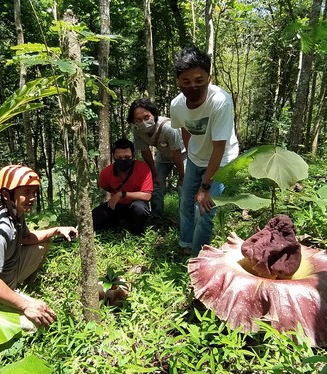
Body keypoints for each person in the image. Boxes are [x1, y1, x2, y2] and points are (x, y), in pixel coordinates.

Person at [0, 165, 77, 331]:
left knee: (43, 243)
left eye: (34, 192)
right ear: (7, 194)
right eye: (26, 193)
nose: (32, 198)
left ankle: (17, 291)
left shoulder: (12, 211)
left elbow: (27, 239)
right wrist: (25, 305)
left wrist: (57, 230)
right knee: (39, 323)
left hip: (5, 276)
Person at [170, 46, 239, 256]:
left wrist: (205, 187)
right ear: (179, 82)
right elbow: (185, 132)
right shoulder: (177, 105)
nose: (193, 86)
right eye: (186, 82)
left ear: (209, 77)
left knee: (203, 209)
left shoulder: (220, 102)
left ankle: (198, 259)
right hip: (195, 158)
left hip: (222, 159)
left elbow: (219, 148)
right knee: (185, 204)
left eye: (199, 80)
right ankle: (186, 244)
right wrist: (191, 156)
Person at [128, 98, 186, 225]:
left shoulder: (168, 128)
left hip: (183, 155)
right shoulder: (137, 131)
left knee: (183, 187)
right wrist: (154, 174)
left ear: (153, 114)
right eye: (138, 120)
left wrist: (182, 176)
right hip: (163, 156)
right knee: (155, 185)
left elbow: (177, 153)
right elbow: (145, 152)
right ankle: (156, 219)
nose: (143, 122)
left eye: (146, 117)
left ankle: (185, 222)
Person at [92, 138, 154, 235]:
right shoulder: (106, 172)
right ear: (113, 157)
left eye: (127, 157)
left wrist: (122, 194)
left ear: (133, 156)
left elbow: (147, 196)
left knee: (140, 209)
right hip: (117, 206)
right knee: (94, 217)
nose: (123, 160)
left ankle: (137, 232)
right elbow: (106, 186)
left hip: (135, 205)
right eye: (119, 158)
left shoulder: (143, 169)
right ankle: (116, 225)